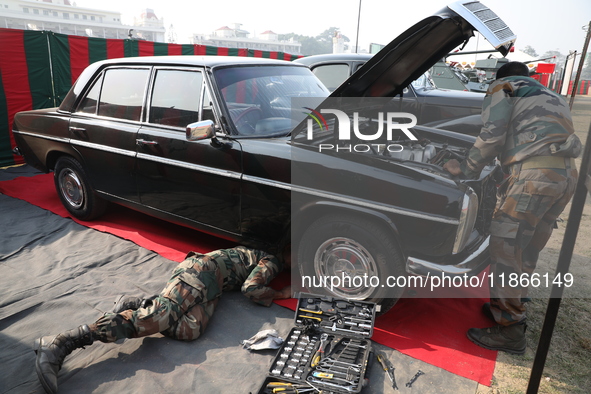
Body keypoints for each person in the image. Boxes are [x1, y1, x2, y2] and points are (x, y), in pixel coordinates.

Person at [443, 61, 580, 354]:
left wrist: (465, 167)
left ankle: (510, 331)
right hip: (565, 177)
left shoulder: (504, 88)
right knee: (527, 246)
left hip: (534, 178)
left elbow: (492, 134)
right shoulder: (547, 92)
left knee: (506, 247)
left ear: (499, 77)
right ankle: (510, 306)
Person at [34, 246, 292, 394]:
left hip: (212, 286)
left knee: (190, 331)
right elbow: (251, 288)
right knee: (159, 316)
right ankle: (65, 340)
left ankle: (136, 305)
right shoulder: (271, 260)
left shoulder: (258, 254)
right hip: (200, 273)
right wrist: (281, 293)